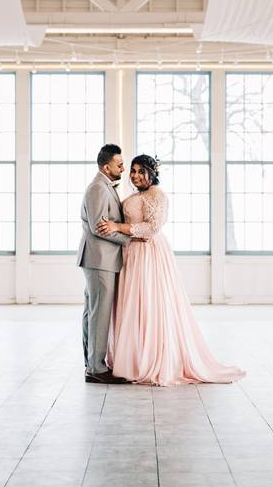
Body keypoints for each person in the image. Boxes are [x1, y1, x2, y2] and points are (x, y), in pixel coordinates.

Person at [98, 155, 245, 387]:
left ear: (152, 173)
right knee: (131, 305)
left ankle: (151, 359)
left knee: (148, 304)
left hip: (148, 255)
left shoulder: (158, 196)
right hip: (131, 254)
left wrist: (117, 227)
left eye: (141, 171)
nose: (135, 175)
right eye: (133, 170)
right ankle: (133, 358)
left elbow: (151, 228)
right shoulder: (137, 195)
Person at [76, 144, 131, 384]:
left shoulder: (104, 186)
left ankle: (92, 364)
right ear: (106, 166)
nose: (123, 167)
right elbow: (100, 227)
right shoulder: (98, 188)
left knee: (93, 312)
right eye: (119, 164)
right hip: (100, 258)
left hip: (100, 259)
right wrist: (128, 239)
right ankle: (97, 368)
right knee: (99, 313)